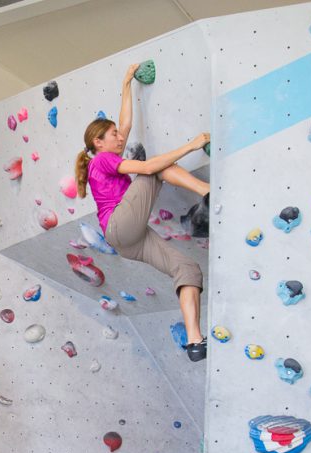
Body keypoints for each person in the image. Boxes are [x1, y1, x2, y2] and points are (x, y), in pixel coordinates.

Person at [75, 63, 211, 361]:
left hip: (127, 241)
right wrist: (193, 144)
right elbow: (148, 167)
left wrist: (126, 84)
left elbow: (124, 123)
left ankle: (195, 341)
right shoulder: (102, 161)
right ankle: (209, 193)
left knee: (187, 269)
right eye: (113, 136)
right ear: (99, 143)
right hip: (120, 226)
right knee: (154, 170)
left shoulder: (108, 155)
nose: (120, 138)